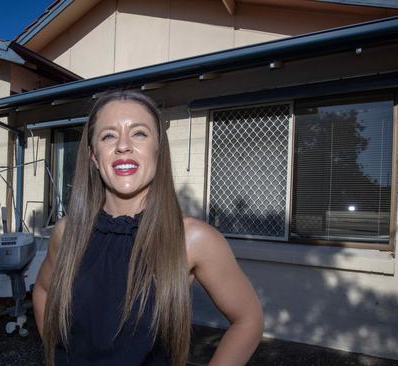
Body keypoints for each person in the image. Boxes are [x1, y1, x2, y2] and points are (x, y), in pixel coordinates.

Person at [33, 90, 263, 366]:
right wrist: (56, 354)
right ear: (93, 156)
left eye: (139, 133)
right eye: (108, 136)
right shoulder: (67, 232)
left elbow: (248, 320)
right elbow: (43, 291)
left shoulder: (192, 239)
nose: (123, 145)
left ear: (158, 148)